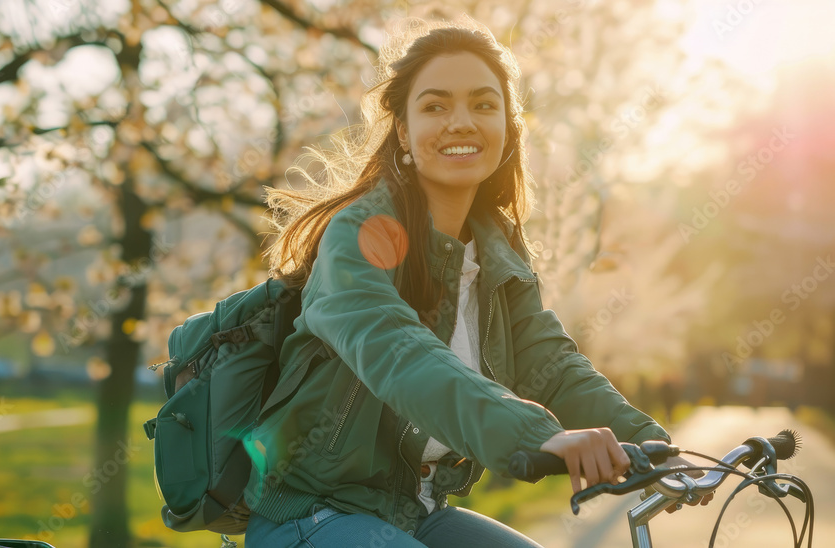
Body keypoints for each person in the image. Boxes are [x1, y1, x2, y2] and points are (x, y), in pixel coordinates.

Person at [242, 15, 710, 547]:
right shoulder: (360, 233)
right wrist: (537, 435)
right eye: (435, 105)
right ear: (403, 130)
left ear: (509, 126)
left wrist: (652, 443)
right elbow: (398, 352)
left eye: (484, 105)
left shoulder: (498, 250)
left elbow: (552, 368)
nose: (461, 122)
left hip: (412, 511)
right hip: (310, 514)